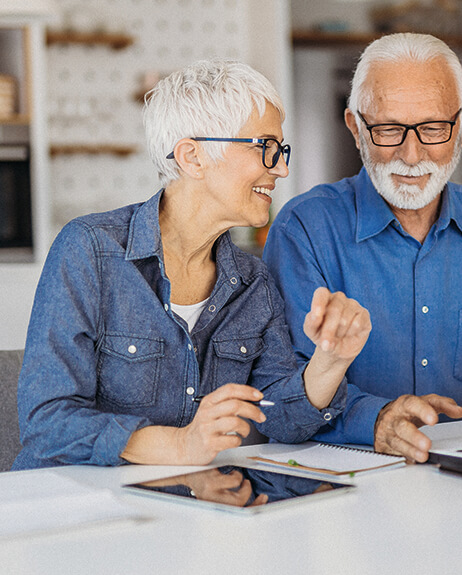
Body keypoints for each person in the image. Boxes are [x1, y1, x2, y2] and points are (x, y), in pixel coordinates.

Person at [13, 58, 371, 470]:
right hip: (69, 507)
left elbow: (280, 418)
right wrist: (180, 446)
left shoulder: (254, 282)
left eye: (281, 150)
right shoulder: (90, 251)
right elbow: (47, 421)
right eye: (266, 148)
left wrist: (331, 361)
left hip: (181, 510)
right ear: (193, 157)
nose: (283, 168)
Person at [263, 33, 462, 463]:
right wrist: (376, 418)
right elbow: (281, 402)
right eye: (387, 129)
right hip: (344, 480)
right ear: (355, 127)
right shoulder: (304, 229)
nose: (410, 153)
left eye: (434, 128)